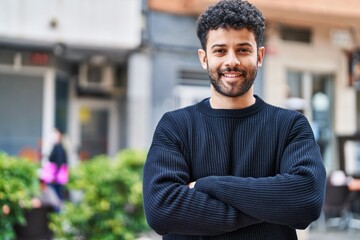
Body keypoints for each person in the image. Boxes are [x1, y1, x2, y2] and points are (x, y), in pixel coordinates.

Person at [142, 1, 326, 239]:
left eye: (243, 49)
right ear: (203, 58)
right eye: (220, 50)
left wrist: (208, 185)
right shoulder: (176, 127)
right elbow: (162, 210)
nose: (232, 61)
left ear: (259, 56)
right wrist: (272, 207)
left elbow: (306, 200)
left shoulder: (290, 126)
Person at [48, 128, 68, 201]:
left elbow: (58, 161)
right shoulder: (61, 146)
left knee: (56, 194)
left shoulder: (58, 147)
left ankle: (59, 210)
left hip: (56, 174)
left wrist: (55, 175)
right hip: (58, 174)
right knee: (58, 192)